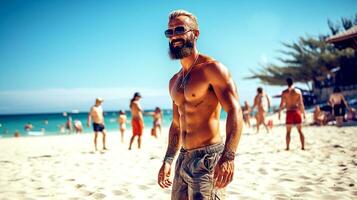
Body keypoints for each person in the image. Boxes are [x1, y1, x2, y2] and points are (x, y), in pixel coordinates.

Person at [157, 10, 243, 199]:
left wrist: (228, 157)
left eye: (180, 29)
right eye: (169, 32)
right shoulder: (174, 81)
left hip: (208, 158)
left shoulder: (212, 69)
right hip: (183, 158)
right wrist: (169, 159)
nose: (174, 36)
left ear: (195, 34)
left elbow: (234, 110)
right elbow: (176, 123)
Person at [278, 78, 306, 150]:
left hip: (289, 112)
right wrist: (304, 113)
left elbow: (282, 104)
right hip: (297, 111)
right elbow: (301, 104)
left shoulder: (284, 92)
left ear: (286, 83)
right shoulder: (298, 92)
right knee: (300, 131)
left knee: (288, 132)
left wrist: (279, 112)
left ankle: (287, 147)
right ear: (293, 82)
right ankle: (303, 146)